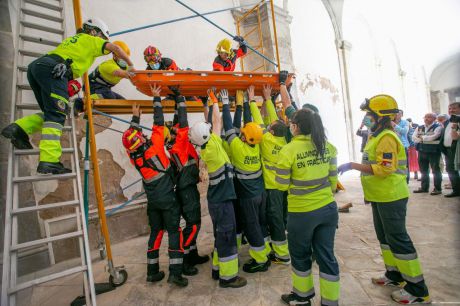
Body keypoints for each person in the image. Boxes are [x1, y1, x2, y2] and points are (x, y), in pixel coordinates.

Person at [1, 18, 134, 174]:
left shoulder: (74, 40)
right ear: (93, 32)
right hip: (55, 70)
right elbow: (116, 48)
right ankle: (49, 161)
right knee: (57, 115)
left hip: (39, 68)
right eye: (103, 38)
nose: (104, 42)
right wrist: (131, 66)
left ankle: (19, 128)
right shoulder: (91, 40)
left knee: (51, 114)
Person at [338, 95, 431, 304]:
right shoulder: (376, 135)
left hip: (391, 195)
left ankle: (418, 289)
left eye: (369, 115)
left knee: (398, 239)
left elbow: (385, 168)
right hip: (380, 195)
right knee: (385, 238)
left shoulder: (387, 137)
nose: (367, 118)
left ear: (380, 116)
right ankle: (394, 275)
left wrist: (352, 165)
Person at [121, 84, 188, 287]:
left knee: (156, 232)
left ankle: (152, 272)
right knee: (174, 231)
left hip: (153, 202)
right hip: (167, 199)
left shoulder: (134, 157)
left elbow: (133, 139)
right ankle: (175, 273)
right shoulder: (155, 147)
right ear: (141, 140)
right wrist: (156, 98)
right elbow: (159, 123)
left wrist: (135, 120)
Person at [276, 108, 340, 306]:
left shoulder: (288, 150)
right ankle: (330, 302)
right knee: (326, 255)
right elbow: (332, 181)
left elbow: (281, 184)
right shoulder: (328, 147)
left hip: (302, 213)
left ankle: (302, 298)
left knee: (301, 256)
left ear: (295, 126)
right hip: (328, 209)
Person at [188, 89, 247, 288]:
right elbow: (216, 122)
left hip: (217, 200)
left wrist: (213, 103)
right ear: (207, 134)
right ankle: (228, 277)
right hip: (221, 202)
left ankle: (216, 269)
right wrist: (217, 102)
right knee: (227, 236)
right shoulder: (212, 148)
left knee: (220, 236)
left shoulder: (206, 143)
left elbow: (214, 123)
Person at [222, 87, 271, 273]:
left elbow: (228, 126)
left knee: (252, 227)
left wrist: (226, 105)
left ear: (244, 136)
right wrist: (242, 105)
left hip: (248, 198)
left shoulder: (237, 148)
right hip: (261, 194)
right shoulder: (256, 146)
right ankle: (265, 250)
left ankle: (261, 260)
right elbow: (251, 127)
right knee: (261, 223)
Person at [166, 88, 209, 274]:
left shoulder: (175, 145)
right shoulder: (180, 146)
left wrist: (177, 101)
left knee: (193, 223)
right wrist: (182, 98)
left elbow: (177, 123)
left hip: (186, 188)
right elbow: (182, 123)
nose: (184, 131)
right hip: (187, 191)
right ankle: (183, 260)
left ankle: (192, 255)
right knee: (193, 224)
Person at [249, 84, 290, 265]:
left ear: (271, 131)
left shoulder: (266, 139)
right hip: (286, 186)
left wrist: (251, 100)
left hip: (273, 188)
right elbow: (275, 120)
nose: (269, 124)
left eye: (270, 126)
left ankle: (282, 254)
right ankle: (285, 245)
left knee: (275, 219)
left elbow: (259, 121)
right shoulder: (283, 139)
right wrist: (267, 99)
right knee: (284, 216)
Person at [412, 113, 442, 195]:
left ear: (434, 119)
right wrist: (424, 139)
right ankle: (424, 188)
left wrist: (422, 138)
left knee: (435, 171)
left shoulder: (438, 127)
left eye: (429, 117)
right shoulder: (420, 127)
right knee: (423, 171)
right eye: (425, 117)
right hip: (422, 151)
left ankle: (438, 188)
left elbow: (434, 137)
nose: (426, 118)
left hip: (433, 152)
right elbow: (414, 137)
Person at [440, 99, 460, 197]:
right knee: (450, 169)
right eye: (450, 109)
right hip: (447, 149)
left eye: (454, 108)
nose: (451, 110)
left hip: (456, 149)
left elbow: (455, 136)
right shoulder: (447, 121)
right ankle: (456, 190)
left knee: (455, 169)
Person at [392, 110, 410, 183]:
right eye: (395, 113)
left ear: (402, 115)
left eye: (398, 114)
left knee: (404, 164)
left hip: (403, 145)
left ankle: (406, 180)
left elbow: (404, 131)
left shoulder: (405, 122)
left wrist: (394, 125)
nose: (396, 115)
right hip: (392, 145)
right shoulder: (389, 122)